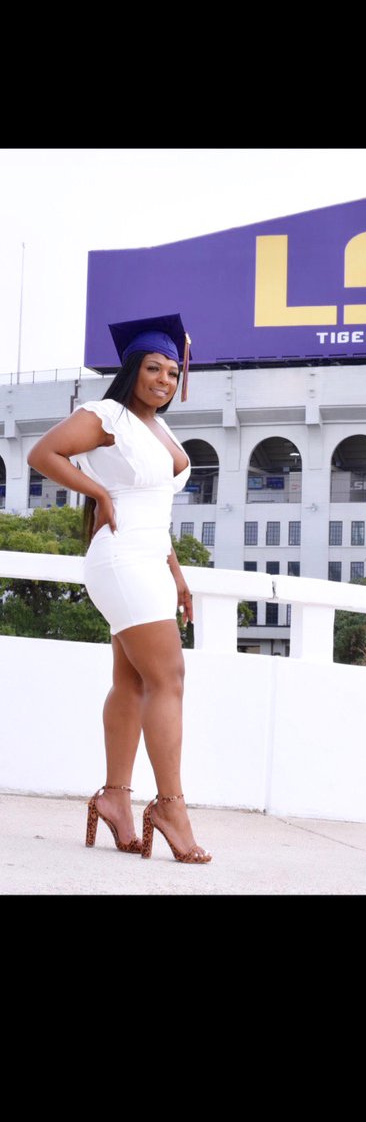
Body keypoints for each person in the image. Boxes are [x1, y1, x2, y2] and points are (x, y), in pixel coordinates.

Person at [26, 314, 212, 864]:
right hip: (120, 557)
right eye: (154, 368)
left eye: (173, 373)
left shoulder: (161, 428)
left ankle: (114, 797)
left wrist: (177, 574)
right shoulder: (108, 415)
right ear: (132, 369)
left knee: (132, 683)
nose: (164, 380)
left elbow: (157, 512)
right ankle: (171, 806)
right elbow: (43, 454)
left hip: (150, 559)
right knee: (169, 676)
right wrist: (99, 495)